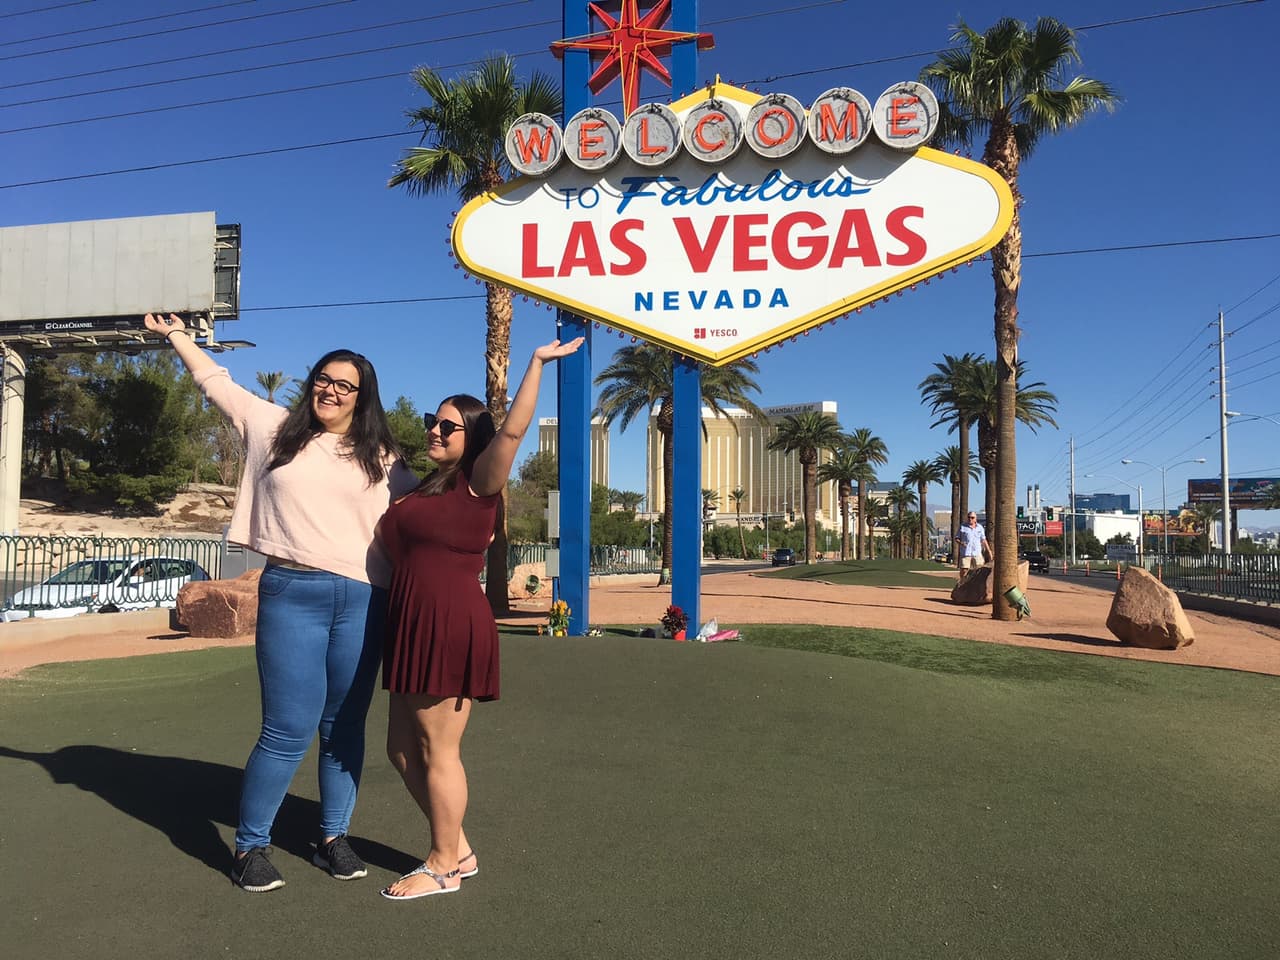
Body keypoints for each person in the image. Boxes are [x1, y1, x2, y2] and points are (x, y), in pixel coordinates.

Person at [143, 312, 417, 893]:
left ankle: (331, 838)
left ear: (362, 398)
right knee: (287, 728)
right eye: (324, 377)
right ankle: (249, 847)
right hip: (293, 593)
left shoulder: (385, 459)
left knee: (344, 728)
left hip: (366, 600)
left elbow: (432, 508)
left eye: (345, 385)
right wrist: (175, 336)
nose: (331, 389)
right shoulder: (271, 427)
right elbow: (215, 381)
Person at [379, 336, 583, 901]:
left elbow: (513, 433)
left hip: (447, 622)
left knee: (439, 749)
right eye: (432, 422)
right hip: (412, 621)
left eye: (450, 427)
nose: (436, 432)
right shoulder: (420, 486)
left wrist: (536, 364)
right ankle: (457, 845)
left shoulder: (477, 484)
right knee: (399, 750)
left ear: (474, 441)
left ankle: (444, 865)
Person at [955, 511, 991, 580]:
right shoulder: (962, 527)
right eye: (969, 517)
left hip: (976, 553)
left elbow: (983, 539)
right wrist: (961, 543)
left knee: (979, 570)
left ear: (975, 519)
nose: (970, 519)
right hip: (966, 553)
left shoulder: (980, 528)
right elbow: (956, 538)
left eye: (972, 517)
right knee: (964, 570)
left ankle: (976, 586)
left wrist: (989, 551)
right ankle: (962, 584)